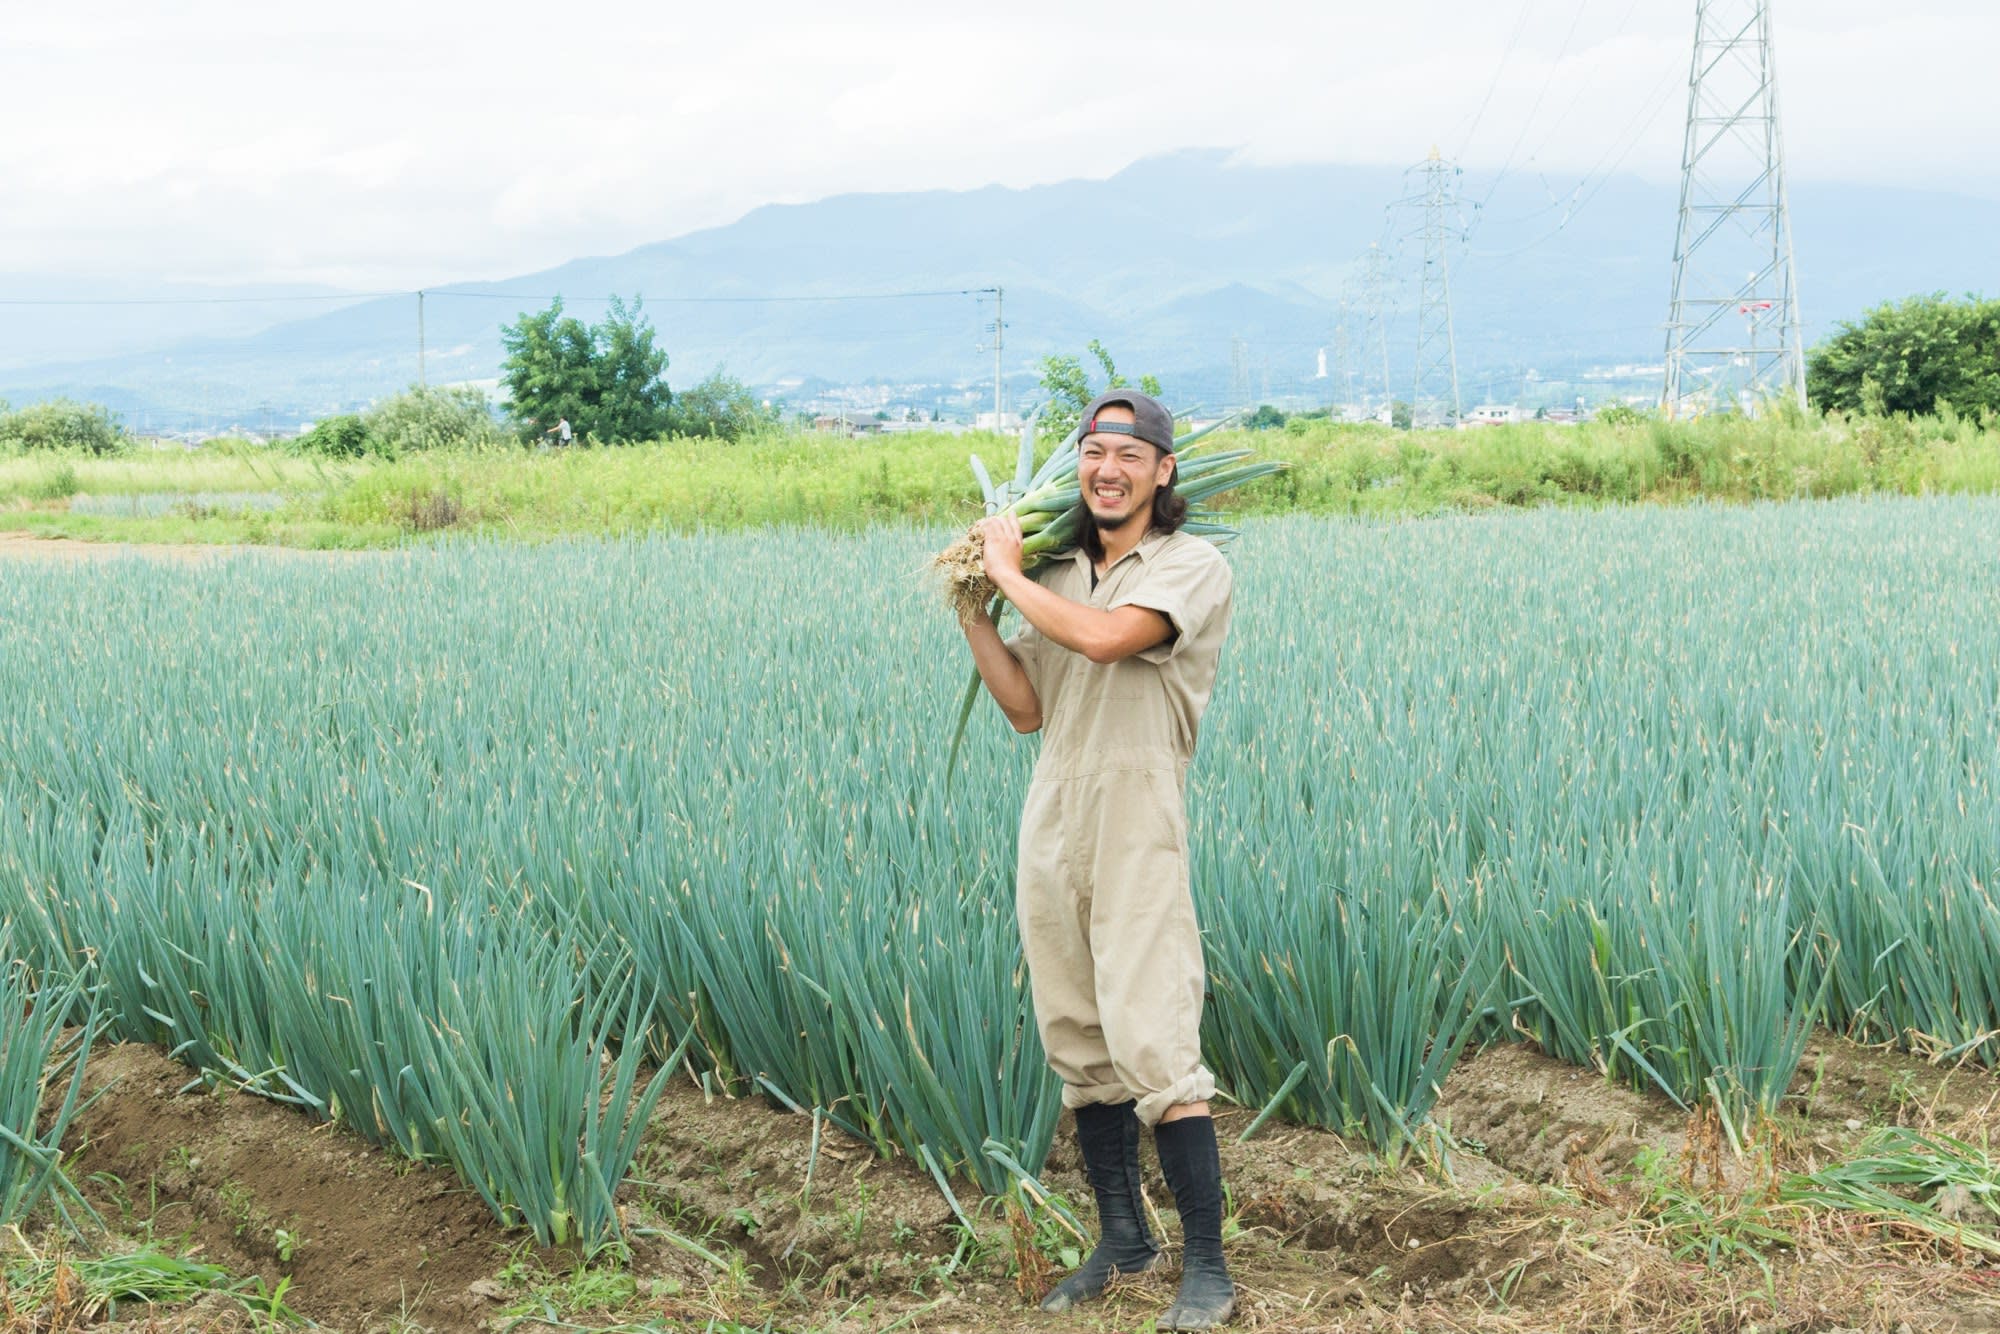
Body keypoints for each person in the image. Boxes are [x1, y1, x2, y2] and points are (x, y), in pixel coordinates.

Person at [957, 390, 1236, 1330]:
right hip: (1056, 813)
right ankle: (1123, 1239)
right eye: (1091, 450)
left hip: (1136, 819)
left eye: (1128, 451)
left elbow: (1112, 641)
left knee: (1155, 1035)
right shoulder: (1063, 569)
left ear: (1163, 470)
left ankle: (1209, 1268)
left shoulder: (1191, 566)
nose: (1105, 467)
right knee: (1077, 1034)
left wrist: (1005, 566)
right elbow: (1027, 707)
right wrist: (975, 611)